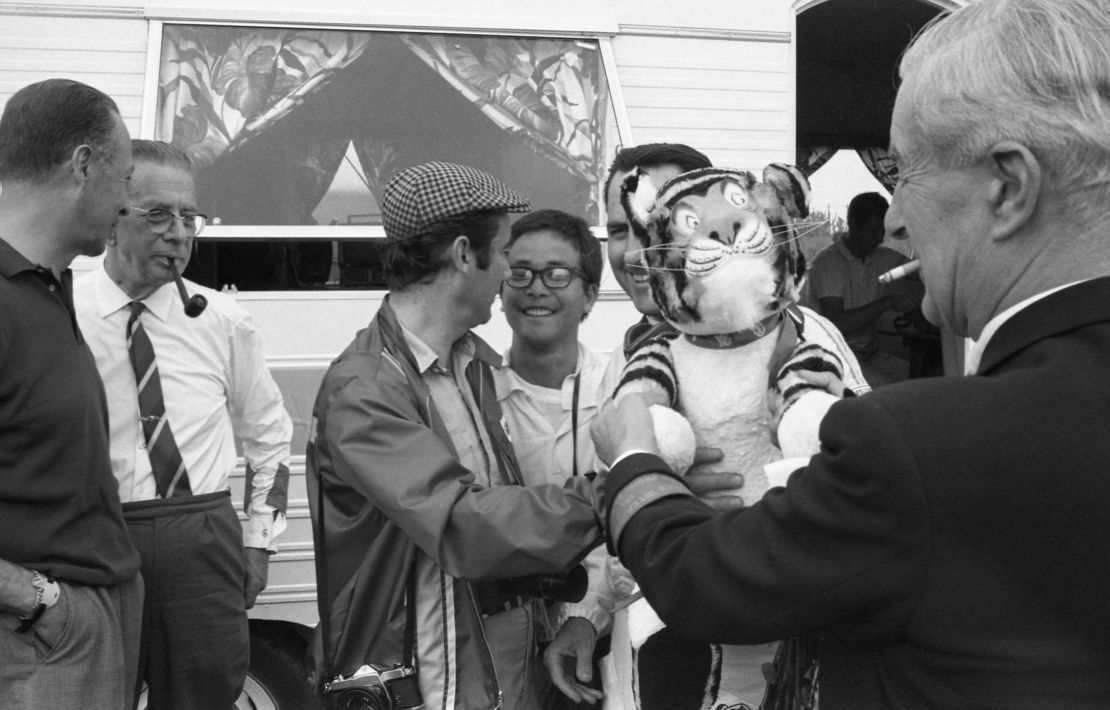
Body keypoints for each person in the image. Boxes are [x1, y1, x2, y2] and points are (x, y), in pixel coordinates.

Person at [590, 0, 1110, 707]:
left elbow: (705, 582)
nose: (892, 213)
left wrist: (632, 459)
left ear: (1009, 186)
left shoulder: (918, 447)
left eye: (906, 172)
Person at [307, 162, 601, 710]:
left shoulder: (471, 365)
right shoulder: (365, 389)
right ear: (466, 255)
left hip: (499, 671)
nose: (510, 270)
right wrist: (615, 497)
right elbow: (465, 526)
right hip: (427, 682)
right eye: (507, 251)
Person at [74, 139, 293, 709]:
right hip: (95, 535)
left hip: (201, 537)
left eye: (189, 216)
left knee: (203, 694)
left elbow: (269, 438)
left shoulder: (221, 320)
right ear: (110, 219)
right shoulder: (60, 309)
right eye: (157, 214)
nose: (179, 233)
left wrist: (259, 543)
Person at [0, 78, 143, 709]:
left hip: (77, 620)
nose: (128, 200)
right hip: (37, 636)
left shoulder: (46, 286)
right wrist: (34, 601)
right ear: (83, 164)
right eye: (127, 177)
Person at [492, 209, 608, 706]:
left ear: (590, 294)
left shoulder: (623, 387)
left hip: (605, 634)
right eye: (520, 272)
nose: (536, 288)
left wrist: (587, 616)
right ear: (499, 288)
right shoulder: (473, 396)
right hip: (499, 638)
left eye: (558, 274)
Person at [805, 191, 923, 385]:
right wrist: (887, 302)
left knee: (918, 380)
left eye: (882, 230)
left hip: (868, 353)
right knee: (885, 387)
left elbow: (919, 270)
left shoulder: (880, 257)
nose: (880, 238)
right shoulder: (828, 262)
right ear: (853, 225)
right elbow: (837, 324)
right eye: (874, 230)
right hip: (833, 356)